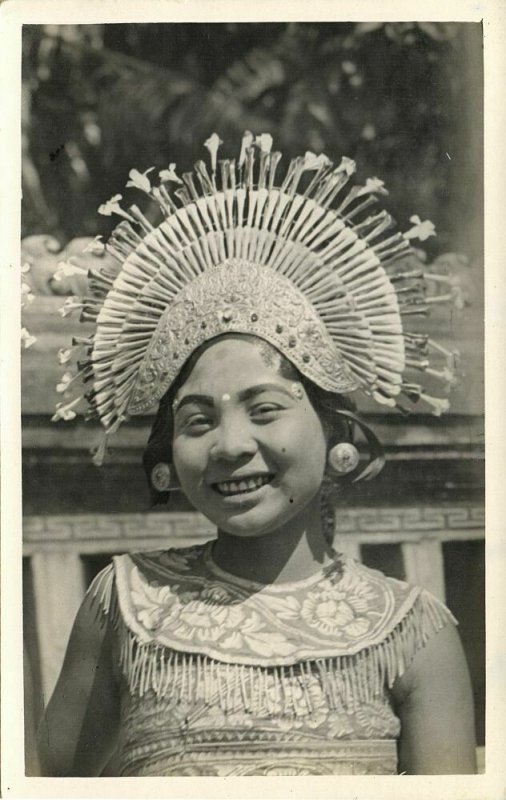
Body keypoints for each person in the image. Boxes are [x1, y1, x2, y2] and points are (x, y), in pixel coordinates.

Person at [38, 133, 476, 776]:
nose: (232, 445)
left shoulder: (414, 633)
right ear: (166, 461)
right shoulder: (123, 605)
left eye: (266, 408)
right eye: (197, 420)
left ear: (337, 439)